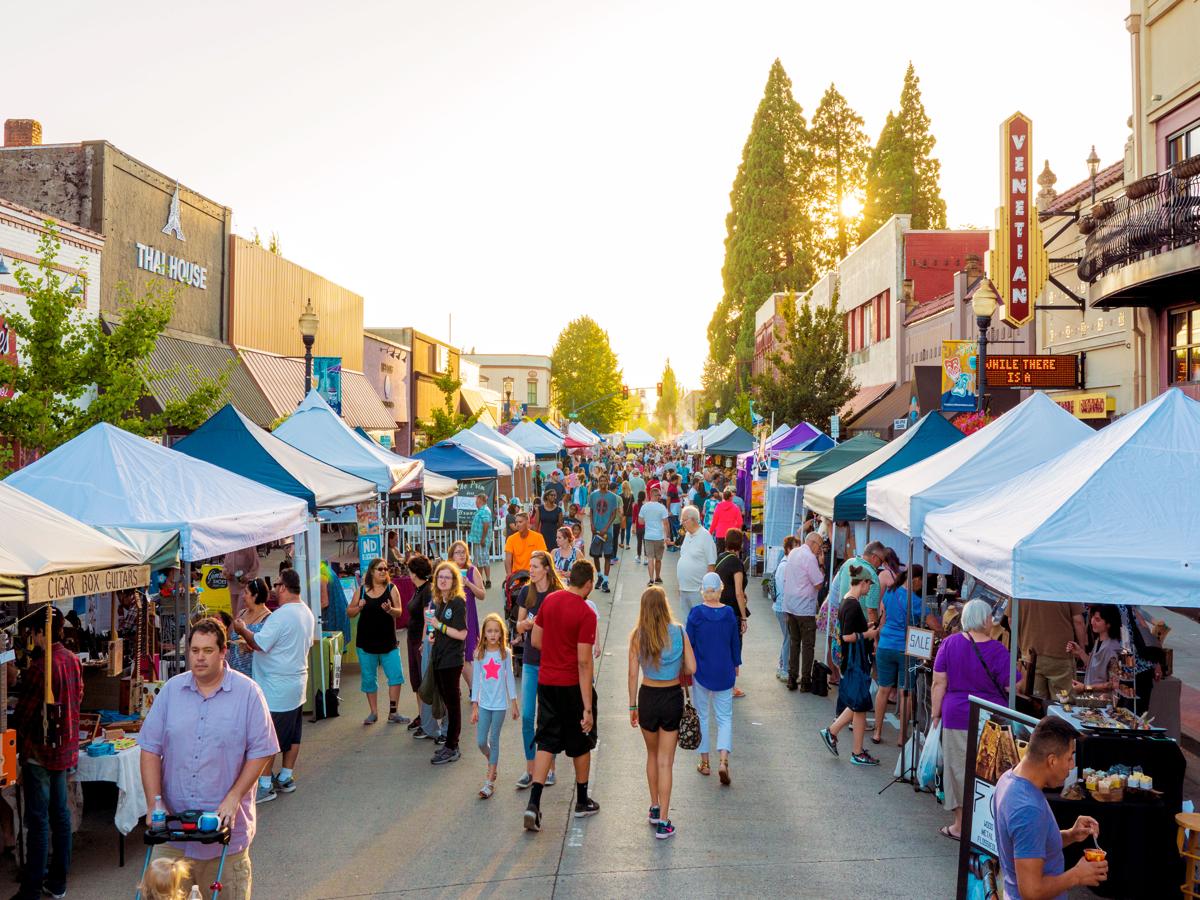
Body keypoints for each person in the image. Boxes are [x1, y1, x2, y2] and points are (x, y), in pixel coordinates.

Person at [140, 618, 278, 900]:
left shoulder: (249, 693)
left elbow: (263, 750)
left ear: (223, 652)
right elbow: (150, 749)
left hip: (225, 835)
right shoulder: (170, 692)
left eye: (208, 650)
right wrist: (155, 802)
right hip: (173, 833)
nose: (199, 657)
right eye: (194, 650)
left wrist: (234, 796)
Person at [522, 559, 600, 833]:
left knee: (546, 740)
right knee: (582, 741)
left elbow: (536, 641)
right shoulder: (586, 613)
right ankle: (581, 800)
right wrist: (587, 707)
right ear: (588, 584)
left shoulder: (551, 601)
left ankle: (534, 803)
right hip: (571, 686)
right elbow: (583, 662)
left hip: (547, 681)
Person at [994, 716, 1106, 897]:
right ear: (1052, 761)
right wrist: (1076, 875)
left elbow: (1031, 844)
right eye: (1070, 757)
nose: (1072, 765)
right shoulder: (1028, 810)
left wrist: (1071, 834)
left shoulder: (1009, 778)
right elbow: (1032, 892)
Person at [12, 608, 82, 900]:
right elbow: (78, 697)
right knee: (60, 816)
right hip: (63, 749)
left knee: (38, 821)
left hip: (39, 753)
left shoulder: (41, 667)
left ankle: (31, 889)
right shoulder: (72, 659)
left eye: (34, 633)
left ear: (42, 633)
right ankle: (58, 882)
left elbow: (24, 714)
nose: (32, 638)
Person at [931, 598, 1015, 840]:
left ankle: (960, 824)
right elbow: (1014, 683)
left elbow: (939, 683)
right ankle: (985, 825)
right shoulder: (999, 650)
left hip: (956, 714)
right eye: (990, 617)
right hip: (991, 718)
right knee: (990, 772)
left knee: (958, 769)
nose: (993, 621)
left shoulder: (949, 644)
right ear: (984, 620)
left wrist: (935, 714)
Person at [233, 567, 315, 802]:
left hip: (276, 686)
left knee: (267, 738)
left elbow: (259, 643)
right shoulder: (306, 612)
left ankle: (266, 785)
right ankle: (286, 776)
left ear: (285, 587)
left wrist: (242, 630)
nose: (275, 589)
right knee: (293, 735)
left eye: (278, 585)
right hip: (296, 682)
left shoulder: (281, 615)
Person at [628, 586, 696, 840]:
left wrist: (632, 705)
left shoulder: (638, 636)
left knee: (652, 754)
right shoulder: (678, 631)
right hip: (671, 697)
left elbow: (632, 674)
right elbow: (692, 667)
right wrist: (674, 663)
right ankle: (664, 821)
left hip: (647, 696)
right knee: (666, 761)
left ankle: (654, 806)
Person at [819, 565, 880, 767]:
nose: (869, 588)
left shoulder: (848, 600)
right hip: (855, 661)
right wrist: (868, 634)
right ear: (861, 582)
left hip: (852, 661)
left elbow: (852, 628)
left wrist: (868, 627)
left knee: (858, 705)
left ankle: (852, 747)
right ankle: (844, 741)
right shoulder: (853, 605)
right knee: (859, 704)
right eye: (869, 584)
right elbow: (847, 636)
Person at [513, 550, 564, 789]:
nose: (530, 570)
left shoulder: (558, 594)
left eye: (535, 566)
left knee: (547, 717)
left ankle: (549, 768)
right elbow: (519, 626)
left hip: (552, 662)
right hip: (531, 662)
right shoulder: (526, 592)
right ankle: (531, 767)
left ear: (546, 568)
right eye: (530, 566)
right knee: (526, 716)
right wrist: (527, 624)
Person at [687, 571, 740, 785]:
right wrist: (736, 664)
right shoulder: (728, 613)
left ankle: (705, 762)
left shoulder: (696, 614)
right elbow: (734, 642)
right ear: (720, 590)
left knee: (702, 715)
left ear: (703, 591)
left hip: (701, 671)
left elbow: (688, 642)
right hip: (724, 671)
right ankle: (723, 761)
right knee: (724, 717)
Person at [347, 558, 409, 726]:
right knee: (369, 678)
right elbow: (349, 612)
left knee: (396, 676)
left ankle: (393, 712)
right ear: (372, 572)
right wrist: (359, 607)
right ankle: (373, 712)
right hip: (366, 644)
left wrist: (390, 610)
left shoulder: (391, 588)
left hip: (388, 642)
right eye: (380, 569)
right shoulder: (361, 590)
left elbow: (400, 612)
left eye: (385, 569)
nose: (383, 572)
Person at [872, 563, 923, 746]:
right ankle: (902, 737)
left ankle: (877, 732)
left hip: (885, 645)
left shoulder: (890, 593)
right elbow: (933, 624)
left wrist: (878, 640)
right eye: (921, 582)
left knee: (883, 689)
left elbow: (883, 620)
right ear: (916, 579)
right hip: (905, 649)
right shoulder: (916, 601)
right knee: (905, 692)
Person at [424, 561, 469, 765]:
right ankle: (450, 744)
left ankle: (452, 746)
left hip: (452, 659)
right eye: (440, 577)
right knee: (448, 700)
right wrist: (434, 635)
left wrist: (439, 626)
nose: (442, 580)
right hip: (440, 657)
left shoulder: (457, 602)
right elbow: (443, 630)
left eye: (447, 577)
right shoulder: (440, 601)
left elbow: (461, 633)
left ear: (454, 581)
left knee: (453, 703)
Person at [470, 613, 520, 799]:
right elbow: (476, 681)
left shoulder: (505, 654)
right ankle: (492, 760)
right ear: (484, 634)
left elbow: (509, 681)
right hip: (484, 704)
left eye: (496, 631)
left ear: (501, 634)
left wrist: (514, 703)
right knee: (482, 741)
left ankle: (489, 781)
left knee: (495, 739)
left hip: (500, 706)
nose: (492, 634)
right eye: (489, 631)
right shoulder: (479, 654)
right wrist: (475, 706)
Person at [782, 531, 824, 693]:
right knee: (807, 645)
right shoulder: (810, 557)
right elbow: (819, 583)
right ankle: (805, 680)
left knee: (794, 642)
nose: (820, 551)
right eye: (819, 547)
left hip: (790, 604)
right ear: (813, 543)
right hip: (804, 607)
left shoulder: (794, 552)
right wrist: (821, 564)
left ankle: (792, 677)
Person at [1018, 599, 1085, 699]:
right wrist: (1081, 650)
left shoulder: (1019, 584)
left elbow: (1011, 620)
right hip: (1061, 655)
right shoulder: (1069, 585)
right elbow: (1078, 621)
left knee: (1034, 704)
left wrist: (1023, 646)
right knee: (1063, 703)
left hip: (1030, 656)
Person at [714, 529, 749, 698]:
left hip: (719, 607)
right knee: (734, 647)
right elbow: (738, 592)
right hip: (732, 611)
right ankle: (731, 685)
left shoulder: (720, 557)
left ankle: (720, 680)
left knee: (721, 646)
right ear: (739, 544)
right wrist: (743, 617)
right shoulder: (736, 563)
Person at [450, 541, 486, 688]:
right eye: (458, 552)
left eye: (463, 552)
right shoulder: (448, 572)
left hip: (468, 617)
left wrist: (468, 584)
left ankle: (474, 689)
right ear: (451, 556)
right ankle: (459, 688)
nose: (461, 555)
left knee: (466, 655)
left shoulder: (472, 570)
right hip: (451, 618)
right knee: (454, 655)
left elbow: (482, 594)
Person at [404, 555, 434, 732]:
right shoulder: (417, 589)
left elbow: (427, 619)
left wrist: (424, 642)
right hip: (412, 638)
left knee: (423, 681)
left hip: (419, 641)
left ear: (415, 573)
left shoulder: (426, 591)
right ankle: (422, 715)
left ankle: (427, 719)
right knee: (416, 680)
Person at [1067, 605, 1122, 692]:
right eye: (1092, 617)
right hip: (1093, 700)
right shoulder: (1099, 641)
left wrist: (1085, 688)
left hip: (1104, 702)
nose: (1092, 622)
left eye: (1097, 619)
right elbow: (1095, 666)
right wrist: (1080, 652)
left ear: (1108, 624)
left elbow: (1113, 684)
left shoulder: (1112, 648)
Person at [676, 504, 717, 613]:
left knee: (699, 623)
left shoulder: (705, 536)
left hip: (697, 591)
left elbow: (711, 565)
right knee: (686, 623)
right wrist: (680, 585)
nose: (682, 523)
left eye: (684, 520)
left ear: (693, 520)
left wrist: (708, 591)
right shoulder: (688, 535)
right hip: (684, 589)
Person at [228, 579, 271, 677]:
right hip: (234, 673)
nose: (243, 596)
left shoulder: (268, 619)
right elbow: (230, 637)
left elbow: (267, 648)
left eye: (246, 593)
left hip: (254, 675)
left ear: (255, 596)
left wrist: (252, 647)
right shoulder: (241, 613)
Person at [587, 475, 622, 593]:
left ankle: (606, 581)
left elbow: (613, 514)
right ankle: (600, 575)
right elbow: (591, 511)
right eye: (600, 480)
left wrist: (606, 527)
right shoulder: (593, 495)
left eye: (604, 480)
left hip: (608, 532)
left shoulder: (613, 497)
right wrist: (592, 525)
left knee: (607, 556)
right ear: (598, 482)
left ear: (608, 482)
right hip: (596, 531)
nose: (602, 482)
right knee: (595, 555)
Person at [772, 536, 797, 683]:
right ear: (788, 549)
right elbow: (784, 589)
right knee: (789, 638)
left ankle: (782, 666)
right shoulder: (785, 565)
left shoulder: (784, 563)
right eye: (794, 547)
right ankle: (784, 669)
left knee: (787, 637)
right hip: (783, 608)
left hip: (782, 607)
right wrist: (787, 609)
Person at [638, 485, 670, 586]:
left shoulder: (644, 506)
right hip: (659, 537)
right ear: (654, 495)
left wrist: (648, 520)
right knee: (658, 559)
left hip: (648, 536)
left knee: (650, 558)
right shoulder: (662, 507)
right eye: (659, 495)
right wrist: (667, 536)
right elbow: (666, 523)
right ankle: (658, 577)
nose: (660, 497)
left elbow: (640, 522)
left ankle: (651, 579)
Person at [504, 512, 547, 579]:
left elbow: (542, 557)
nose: (517, 524)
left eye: (520, 522)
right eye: (516, 522)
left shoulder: (538, 537)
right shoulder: (511, 539)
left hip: (533, 575)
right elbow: (508, 560)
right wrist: (509, 575)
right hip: (516, 576)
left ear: (527, 523)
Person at [222, 545, 261, 619]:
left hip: (245, 586)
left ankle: (241, 629)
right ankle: (236, 629)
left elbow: (256, 566)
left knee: (241, 613)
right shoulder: (230, 546)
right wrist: (225, 573)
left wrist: (247, 577)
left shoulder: (249, 546)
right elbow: (225, 566)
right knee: (234, 613)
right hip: (232, 585)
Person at [468, 493, 494, 589]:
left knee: (481, 561)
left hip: (481, 540)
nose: (475, 502)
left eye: (477, 501)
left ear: (481, 501)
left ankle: (483, 581)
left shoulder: (485, 511)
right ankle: (483, 580)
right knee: (481, 560)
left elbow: (486, 525)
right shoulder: (482, 510)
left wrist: (483, 538)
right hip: (478, 540)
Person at [631, 490, 646, 565]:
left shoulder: (636, 505)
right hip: (646, 526)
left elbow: (634, 518)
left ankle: (639, 557)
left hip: (638, 526)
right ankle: (646, 558)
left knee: (639, 542)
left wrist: (633, 528)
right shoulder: (646, 505)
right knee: (645, 542)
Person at [620, 481, 635, 550]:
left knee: (622, 529)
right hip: (630, 515)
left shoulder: (620, 496)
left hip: (623, 515)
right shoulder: (632, 496)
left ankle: (622, 543)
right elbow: (633, 506)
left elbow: (620, 507)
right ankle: (628, 544)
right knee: (628, 530)